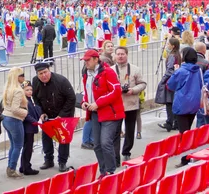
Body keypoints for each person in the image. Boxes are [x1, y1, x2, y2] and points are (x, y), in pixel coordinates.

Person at [81, 49, 125, 177]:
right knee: (97, 145)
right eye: (85, 60)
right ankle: (103, 171)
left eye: (88, 60)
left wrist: (98, 103)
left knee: (106, 142)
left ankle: (111, 171)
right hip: (95, 112)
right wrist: (85, 102)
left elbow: (116, 91)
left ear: (96, 59)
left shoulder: (108, 72)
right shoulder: (86, 73)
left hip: (110, 113)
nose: (86, 63)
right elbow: (87, 91)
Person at [32, 61, 76, 172]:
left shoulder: (61, 81)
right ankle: (48, 160)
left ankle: (62, 161)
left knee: (63, 138)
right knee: (46, 137)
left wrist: (61, 115)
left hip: (63, 113)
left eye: (45, 72)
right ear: (37, 74)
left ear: (49, 70)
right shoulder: (35, 81)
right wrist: (41, 112)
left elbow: (71, 98)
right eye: (40, 73)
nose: (43, 75)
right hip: (47, 114)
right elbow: (35, 98)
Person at [167, 47, 204, 167]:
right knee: (188, 130)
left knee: (184, 133)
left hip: (182, 104)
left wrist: (175, 72)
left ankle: (185, 158)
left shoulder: (181, 71)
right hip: (194, 103)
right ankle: (188, 156)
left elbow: (170, 85)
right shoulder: (197, 70)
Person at [112, 46, 146, 164]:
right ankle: (115, 157)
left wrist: (133, 90)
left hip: (131, 104)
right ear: (115, 56)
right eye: (118, 54)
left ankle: (126, 152)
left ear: (127, 55)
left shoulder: (135, 69)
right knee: (115, 132)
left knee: (130, 130)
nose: (120, 56)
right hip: (116, 105)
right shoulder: (110, 70)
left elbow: (142, 83)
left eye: (123, 54)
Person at [2, 67, 27, 179]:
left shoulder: (8, 88)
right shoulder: (17, 91)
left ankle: (10, 166)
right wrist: (25, 112)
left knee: (13, 144)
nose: (24, 77)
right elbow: (15, 109)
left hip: (6, 117)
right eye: (22, 75)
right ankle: (12, 168)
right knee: (18, 145)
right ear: (18, 77)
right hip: (14, 119)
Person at [156, 37, 181, 132]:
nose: (167, 46)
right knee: (173, 102)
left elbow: (169, 69)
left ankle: (169, 122)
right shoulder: (178, 54)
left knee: (169, 102)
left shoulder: (172, 56)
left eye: (168, 44)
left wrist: (163, 79)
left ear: (173, 46)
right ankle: (176, 122)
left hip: (170, 81)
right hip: (176, 80)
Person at [20, 80, 41, 176]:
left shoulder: (30, 100)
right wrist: (34, 121)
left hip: (30, 127)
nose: (29, 92)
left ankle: (23, 166)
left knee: (27, 148)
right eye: (27, 90)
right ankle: (26, 167)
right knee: (28, 148)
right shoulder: (24, 100)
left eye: (31, 90)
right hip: (27, 127)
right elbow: (26, 115)